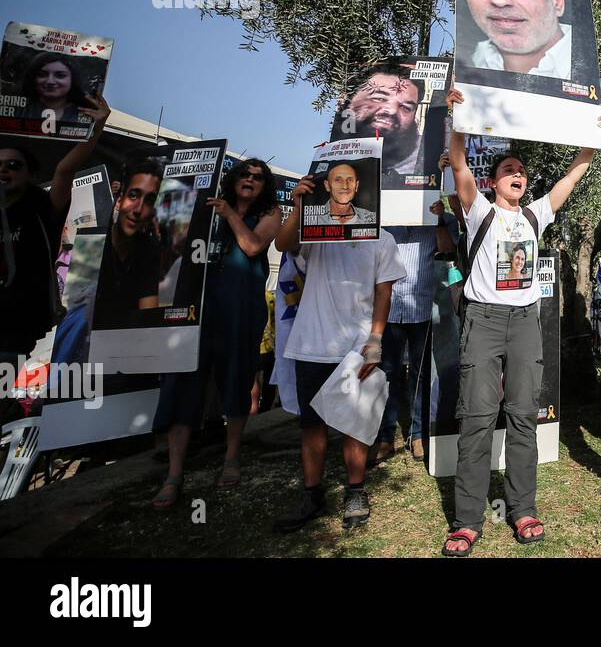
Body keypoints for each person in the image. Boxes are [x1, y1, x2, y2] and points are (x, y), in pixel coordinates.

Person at [440, 85, 601, 555]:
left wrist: (591, 138)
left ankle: (523, 509)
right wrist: (459, 121)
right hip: (484, 322)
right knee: (475, 418)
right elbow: (458, 165)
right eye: (508, 170)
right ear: (493, 183)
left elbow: (573, 177)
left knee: (522, 418)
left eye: (521, 171)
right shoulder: (479, 212)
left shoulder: (535, 216)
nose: (517, 174)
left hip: (526, 322)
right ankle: (468, 520)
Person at [271, 175, 407, 533]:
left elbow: (384, 294)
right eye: (336, 179)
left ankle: (356, 490)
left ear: (360, 185)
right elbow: (282, 244)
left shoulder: (383, 237)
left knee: (355, 422)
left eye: (350, 178)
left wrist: (375, 340)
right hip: (312, 342)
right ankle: (312, 494)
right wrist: (299, 208)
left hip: (357, 345)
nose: (344, 184)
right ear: (326, 186)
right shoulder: (314, 228)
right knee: (311, 424)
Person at [151, 158, 281, 507]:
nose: (250, 180)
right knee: (182, 386)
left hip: (239, 312)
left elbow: (253, 247)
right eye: (244, 174)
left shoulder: (270, 212)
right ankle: (174, 474)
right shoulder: (204, 208)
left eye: (257, 177)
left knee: (236, 383)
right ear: (232, 179)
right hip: (196, 312)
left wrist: (229, 215)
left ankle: (231, 458)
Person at [0, 93, 110, 362]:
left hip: (12, 330)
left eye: (14, 165)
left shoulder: (42, 208)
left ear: (30, 174)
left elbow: (65, 169)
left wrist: (96, 127)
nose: (4, 170)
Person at [373, 209, 455, 464]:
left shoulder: (442, 219)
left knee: (419, 374)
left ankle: (417, 433)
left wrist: (440, 220)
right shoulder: (383, 214)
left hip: (422, 308)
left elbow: (448, 251)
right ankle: (385, 436)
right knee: (387, 373)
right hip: (388, 309)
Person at [95, 158, 166, 328]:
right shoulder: (94, 244)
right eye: (133, 195)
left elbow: (147, 318)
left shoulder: (148, 251)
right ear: (119, 201)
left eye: (149, 200)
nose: (138, 209)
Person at [341, 62, 425, 180]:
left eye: (406, 107)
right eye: (379, 98)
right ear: (350, 101)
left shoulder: (425, 159)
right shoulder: (332, 156)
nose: (391, 111)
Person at [20, 52, 92, 124]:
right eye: (42, 75)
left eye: (60, 75)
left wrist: (99, 122)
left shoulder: (87, 112)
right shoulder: (19, 109)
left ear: (73, 79)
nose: (50, 81)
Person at [303, 162, 376, 226]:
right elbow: (294, 240)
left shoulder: (369, 217)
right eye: (338, 180)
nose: (345, 186)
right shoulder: (311, 219)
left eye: (350, 180)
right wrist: (298, 209)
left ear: (356, 186)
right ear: (327, 185)